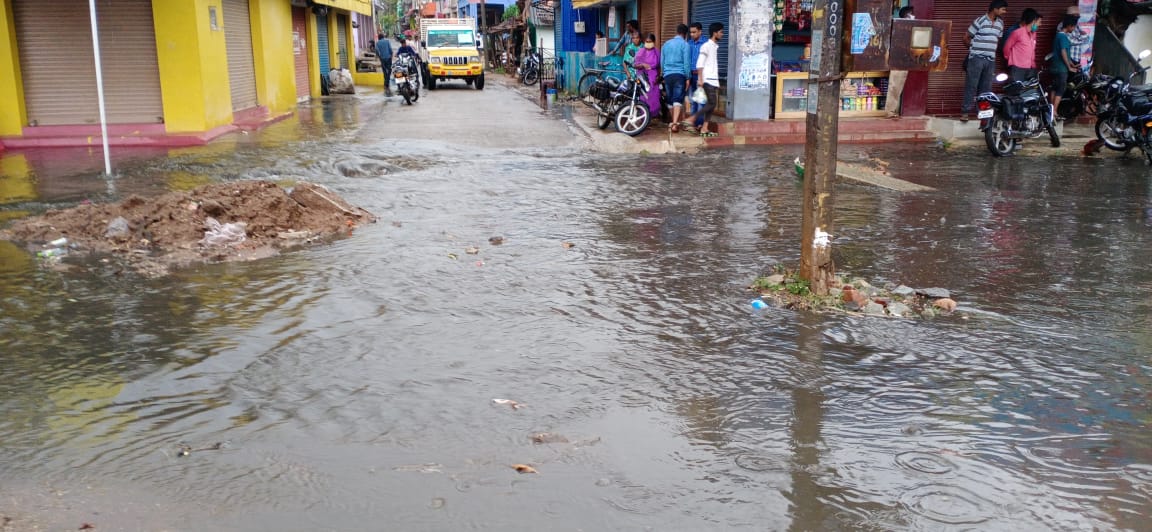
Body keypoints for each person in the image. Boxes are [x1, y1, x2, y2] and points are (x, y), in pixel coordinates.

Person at [962, 0, 1009, 122]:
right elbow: (966, 37)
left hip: (990, 60)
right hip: (976, 59)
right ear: (995, 9)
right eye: (1003, 9)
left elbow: (997, 39)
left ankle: (982, 113)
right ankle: (966, 112)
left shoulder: (1000, 23)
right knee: (971, 85)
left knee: (986, 87)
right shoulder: (980, 20)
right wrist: (974, 50)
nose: (1004, 12)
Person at [686, 22, 723, 137]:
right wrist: (700, 80)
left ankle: (704, 128)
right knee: (708, 103)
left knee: (710, 104)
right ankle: (692, 119)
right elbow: (699, 64)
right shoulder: (706, 46)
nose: (722, 34)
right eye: (721, 32)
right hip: (705, 79)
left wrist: (716, 81)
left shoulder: (713, 46)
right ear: (715, 33)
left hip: (711, 79)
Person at [662, 24, 692, 132]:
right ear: (685, 34)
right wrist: (688, 77)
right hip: (680, 75)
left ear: (677, 31)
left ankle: (675, 121)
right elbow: (687, 63)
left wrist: (664, 74)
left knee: (670, 100)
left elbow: (662, 61)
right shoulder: (685, 45)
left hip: (667, 75)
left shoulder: (666, 44)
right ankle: (675, 124)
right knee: (678, 99)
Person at [885, 6, 914, 118]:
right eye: (911, 14)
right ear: (906, 16)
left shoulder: (912, 28)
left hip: (906, 59)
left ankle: (892, 110)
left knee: (898, 84)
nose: (913, 16)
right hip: (898, 59)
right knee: (895, 84)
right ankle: (890, 111)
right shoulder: (899, 27)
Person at [1050, 14, 1079, 113]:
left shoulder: (1058, 35)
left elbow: (1066, 53)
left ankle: (1051, 110)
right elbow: (1063, 52)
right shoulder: (1063, 37)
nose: (1074, 28)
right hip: (1061, 69)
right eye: (1074, 26)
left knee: (1054, 88)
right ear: (1070, 26)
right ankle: (1055, 112)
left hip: (1054, 67)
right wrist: (1069, 67)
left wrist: (1072, 64)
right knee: (1060, 90)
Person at [1003, 8, 1041, 82]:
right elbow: (1006, 48)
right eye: (1037, 22)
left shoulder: (1033, 34)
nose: (1039, 25)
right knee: (1016, 91)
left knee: (1029, 91)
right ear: (1033, 21)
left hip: (1030, 67)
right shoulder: (1017, 32)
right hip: (1017, 68)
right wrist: (1013, 60)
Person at [633, 33, 662, 123]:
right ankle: (642, 116)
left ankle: (652, 116)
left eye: (650, 41)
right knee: (643, 96)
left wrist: (659, 77)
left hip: (653, 77)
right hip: (642, 77)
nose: (648, 43)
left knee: (654, 96)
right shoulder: (641, 51)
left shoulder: (657, 52)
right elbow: (635, 65)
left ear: (654, 42)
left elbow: (659, 65)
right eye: (647, 41)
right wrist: (642, 65)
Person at [687, 22, 707, 130]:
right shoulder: (689, 43)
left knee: (701, 101)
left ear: (700, 31)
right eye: (690, 32)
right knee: (692, 100)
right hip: (691, 76)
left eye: (694, 32)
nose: (692, 34)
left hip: (701, 76)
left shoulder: (705, 43)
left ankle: (700, 123)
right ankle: (694, 124)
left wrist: (702, 77)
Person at [375, 32, 394, 97]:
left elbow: (377, 51)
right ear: (383, 36)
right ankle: (387, 82)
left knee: (384, 71)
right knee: (389, 70)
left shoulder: (377, 43)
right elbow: (390, 49)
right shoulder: (387, 41)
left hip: (382, 58)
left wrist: (379, 56)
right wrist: (391, 54)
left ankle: (386, 82)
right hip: (388, 58)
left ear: (379, 37)